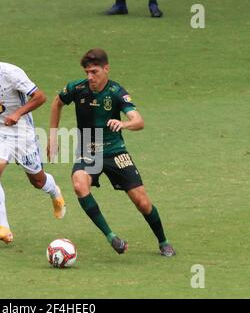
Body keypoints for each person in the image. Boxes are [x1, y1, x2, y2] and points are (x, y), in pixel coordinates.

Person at [47, 48, 175, 257]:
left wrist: (123, 124)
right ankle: (111, 236)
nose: (90, 77)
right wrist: (53, 136)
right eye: (87, 72)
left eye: (94, 72)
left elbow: (138, 121)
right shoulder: (76, 88)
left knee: (142, 201)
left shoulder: (116, 92)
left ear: (106, 69)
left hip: (115, 151)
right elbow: (57, 103)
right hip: (89, 150)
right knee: (79, 184)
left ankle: (164, 241)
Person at [0, 41, 66, 244]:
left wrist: (17, 113)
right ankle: (4, 227)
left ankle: (55, 192)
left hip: (21, 133)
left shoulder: (12, 74)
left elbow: (40, 97)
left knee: (37, 181)